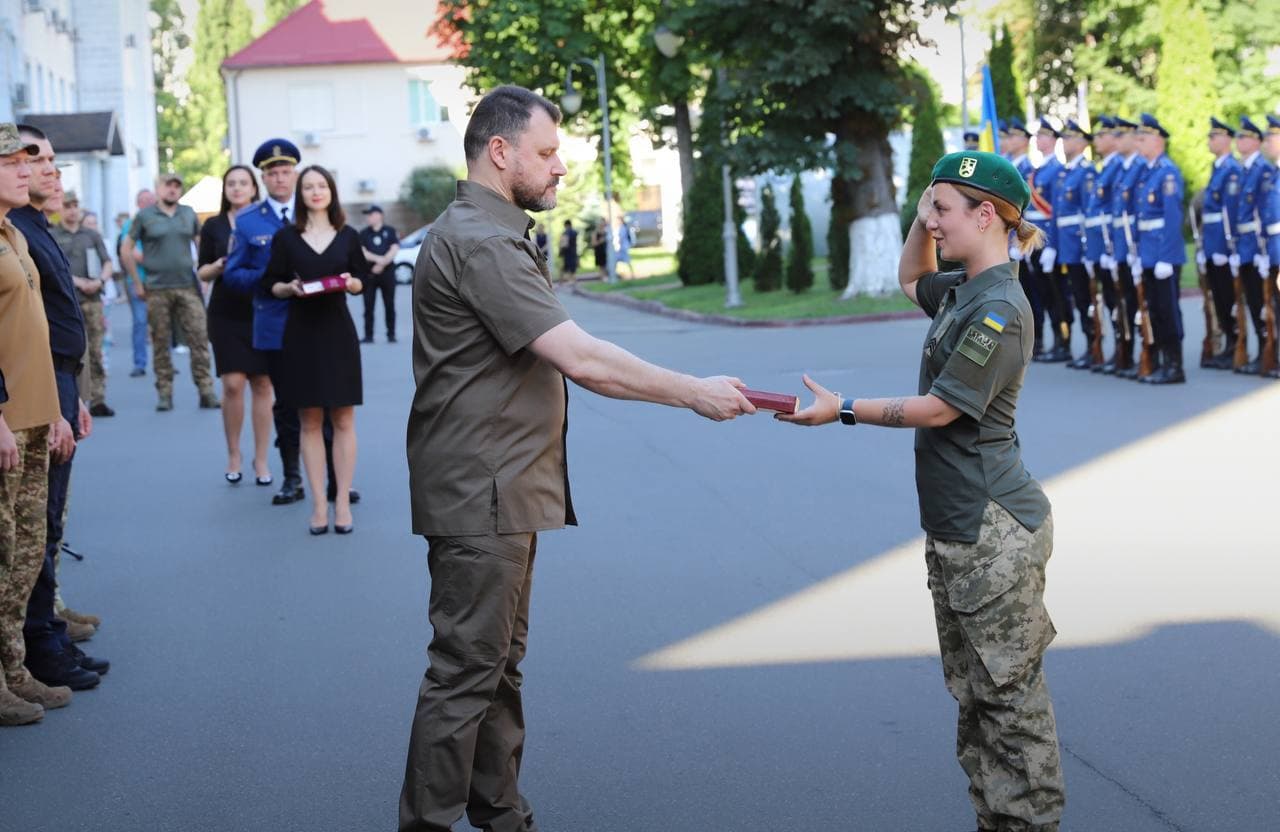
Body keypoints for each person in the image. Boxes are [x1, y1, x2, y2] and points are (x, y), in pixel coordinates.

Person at [400, 84, 753, 832]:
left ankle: (502, 815)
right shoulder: (482, 241)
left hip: (497, 488)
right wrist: (692, 391)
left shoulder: (484, 231)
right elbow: (582, 359)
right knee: (466, 673)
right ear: (500, 152)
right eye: (548, 152)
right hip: (483, 493)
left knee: (495, 667)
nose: (560, 167)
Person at [779, 150, 1064, 832]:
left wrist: (845, 409)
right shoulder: (963, 288)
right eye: (928, 210)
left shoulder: (998, 308)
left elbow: (940, 409)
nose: (931, 222)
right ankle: (994, 820)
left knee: (1010, 706)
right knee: (975, 697)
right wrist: (924, 211)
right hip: (959, 526)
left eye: (943, 210)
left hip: (992, 530)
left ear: (986, 214)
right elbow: (911, 278)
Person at [9, 124, 105, 697]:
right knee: (35, 523)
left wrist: (78, 394)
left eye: (48, 160)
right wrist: (55, 403)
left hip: (60, 382)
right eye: (29, 159)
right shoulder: (16, 228)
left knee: (47, 519)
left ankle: (47, 631)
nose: (44, 169)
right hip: (35, 390)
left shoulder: (31, 226)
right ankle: (39, 642)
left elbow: (58, 318)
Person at [0, 122, 68, 726]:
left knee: (24, 554)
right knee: (2, 557)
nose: (26, 171)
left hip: (34, 416)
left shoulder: (14, 234)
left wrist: (56, 411)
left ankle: (15, 668)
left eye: (28, 162)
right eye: (11, 164)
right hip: (6, 422)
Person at [261, 165, 366, 535]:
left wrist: (352, 283)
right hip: (301, 334)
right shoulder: (286, 238)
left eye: (322, 185)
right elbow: (270, 283)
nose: (316, 191)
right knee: (309, 420)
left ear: (331, 191)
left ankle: (342, 503)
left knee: (344, 419)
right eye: (308, 186)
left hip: (338, 333)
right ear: (300, 194)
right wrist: (288, 289)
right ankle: (319, 505)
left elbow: (362, 280)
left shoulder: (348, 235)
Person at [198, 165, 273, 485]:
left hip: (261, 309)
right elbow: (201, 272)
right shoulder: (213, 225)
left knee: (263, 384)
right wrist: (219, 266)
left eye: (243, 183)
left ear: (254, 188)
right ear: (225, 189)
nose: (237, 188)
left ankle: (261, 459)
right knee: (232, 384)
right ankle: (234, 454)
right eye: (231, 183)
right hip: (225, 312)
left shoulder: (267, 220)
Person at [120, 173, 218, 410]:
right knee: (161, 342)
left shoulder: (188, 213)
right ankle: (165, 393)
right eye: (168, 185)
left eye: (177, 185)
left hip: (187, 286)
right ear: (158, 189)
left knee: (199, 337)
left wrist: (204, 275)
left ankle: (206, 390)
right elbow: (126, 249)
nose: (173, 189)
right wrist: (137, 282)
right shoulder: (145, 216)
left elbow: (201, 244)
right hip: (157, 289)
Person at [1132, 113, 1187, 385]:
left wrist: (1166, 257)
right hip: (1148, 253)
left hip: (1164, 255)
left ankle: (1175, 366)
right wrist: (1137, 254)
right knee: (1154, 310)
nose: (1138, 143)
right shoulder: (1148, 172)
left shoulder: (1167, 172)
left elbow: (1172, 219)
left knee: (1168, 310)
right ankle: (1163, 362)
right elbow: (1140, 218)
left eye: (1143, 138)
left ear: (1157, 141)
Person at [50, 190, 115, 416]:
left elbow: (107, 262)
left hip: (93, 300)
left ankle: (98, 398)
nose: (72, 211)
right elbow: (53, 268)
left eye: (75, 206)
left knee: (96, 350)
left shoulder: (91, 235)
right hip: (68, 303)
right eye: (67, 206)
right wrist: (76, 282)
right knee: (71, 352)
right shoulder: (53, 234)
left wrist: (100, 281)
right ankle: (73, 399)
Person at [1047, 119, 1097, 370]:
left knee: (1087, 298)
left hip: (1079, 247)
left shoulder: (1086, 173)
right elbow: (1057, 216)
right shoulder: (1064, 173)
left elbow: (1089, 214)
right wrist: (1052, 246)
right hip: (1065, 247)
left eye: (1068, 138)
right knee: (1076, 296)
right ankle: (1084, 345)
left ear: (1081, 143)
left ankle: (1094, 345)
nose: (1064, 142)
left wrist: (1089, 249)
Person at [1083, 117, 1127, 374]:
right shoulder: (1106, 167)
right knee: (1110, 302)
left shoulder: (1118, 166)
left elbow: (1114, 214)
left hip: (1111, 247)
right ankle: (1117, 352)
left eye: (1102, 135)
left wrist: (1111, 250)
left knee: (1118, 301)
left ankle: (1123, 351)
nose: (1097, 140)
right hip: (1100, 248)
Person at [1230, 116, 1273, 375]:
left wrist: (1261, 250)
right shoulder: (1244, 170)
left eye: (1243, 137)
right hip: (1245, 247)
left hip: (1258, 247)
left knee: (1265, 302)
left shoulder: (1262, 170)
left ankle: (1270, 351)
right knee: (1254, 302)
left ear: (1256, 141)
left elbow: (1264, 213)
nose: (1239, 141)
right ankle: (1262, 351)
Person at [1202, 117, 1244, 370]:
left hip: (1224, 248)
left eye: (1213, 136)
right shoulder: (1217, 168)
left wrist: (1226, 248)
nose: (1209, 141)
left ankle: (1236, 343)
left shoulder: (1232, 169)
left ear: (1226, 139)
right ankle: (1229, 342)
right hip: (1212, 245)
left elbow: (1231, 214)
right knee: (1219, 298)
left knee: (1229, 297)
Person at [1029, 119, 1070, 362]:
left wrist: (1052, 245)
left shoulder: (1057, 170)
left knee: (1057, 294)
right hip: (1035, 241)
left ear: (1054, 140)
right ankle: (1053, 341)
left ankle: (1063, 341)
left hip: (1048, 242)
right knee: (1043, 293)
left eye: (1043, 136)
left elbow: (1056, 213)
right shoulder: (1038, 171)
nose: (1038, 140)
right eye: (1037, 136)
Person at [1110, 117, 1145, 380]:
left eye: (1122, 135)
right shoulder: (1122, 168)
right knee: (1124, 304)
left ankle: (1148, 354)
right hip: (1121, 248)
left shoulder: (1141, 167)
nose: (1117, 140)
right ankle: (1127, 353)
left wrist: (1137, 251)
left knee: (1141, 304)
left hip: (1137, 249)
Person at [119, 189, 155, 377]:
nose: (148, 203)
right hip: (138, 279)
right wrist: (157, 259)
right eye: (144, 200)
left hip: (160, 281)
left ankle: (164, 361)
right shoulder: (131, 224)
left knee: (162, 322)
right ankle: (140, 363)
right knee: (140, 322)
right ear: (138, 204)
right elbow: (132, 252)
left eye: (151, 200)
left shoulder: (159, 222)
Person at [358, 204, 399, 343]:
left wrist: (382, 263)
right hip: (369, 274)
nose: (368, 217)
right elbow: (362, 251)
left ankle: (391, 334)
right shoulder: (363, 233)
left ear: (379, 215)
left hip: (387, 274)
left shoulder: (390, 231)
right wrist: (378, 260)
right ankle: (368, 336)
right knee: (368, 306)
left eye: (370, 214)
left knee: (389, 305)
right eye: (367, 215)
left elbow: (394, 249)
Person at [612, 213, 635, 279]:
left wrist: (617, 243)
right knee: (615, 261)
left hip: (623, 247)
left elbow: (621, 237)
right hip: (620, 247)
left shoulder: (623, 228)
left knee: (627, 260)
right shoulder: (619, 227)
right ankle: (614, 274)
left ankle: (632, 274)